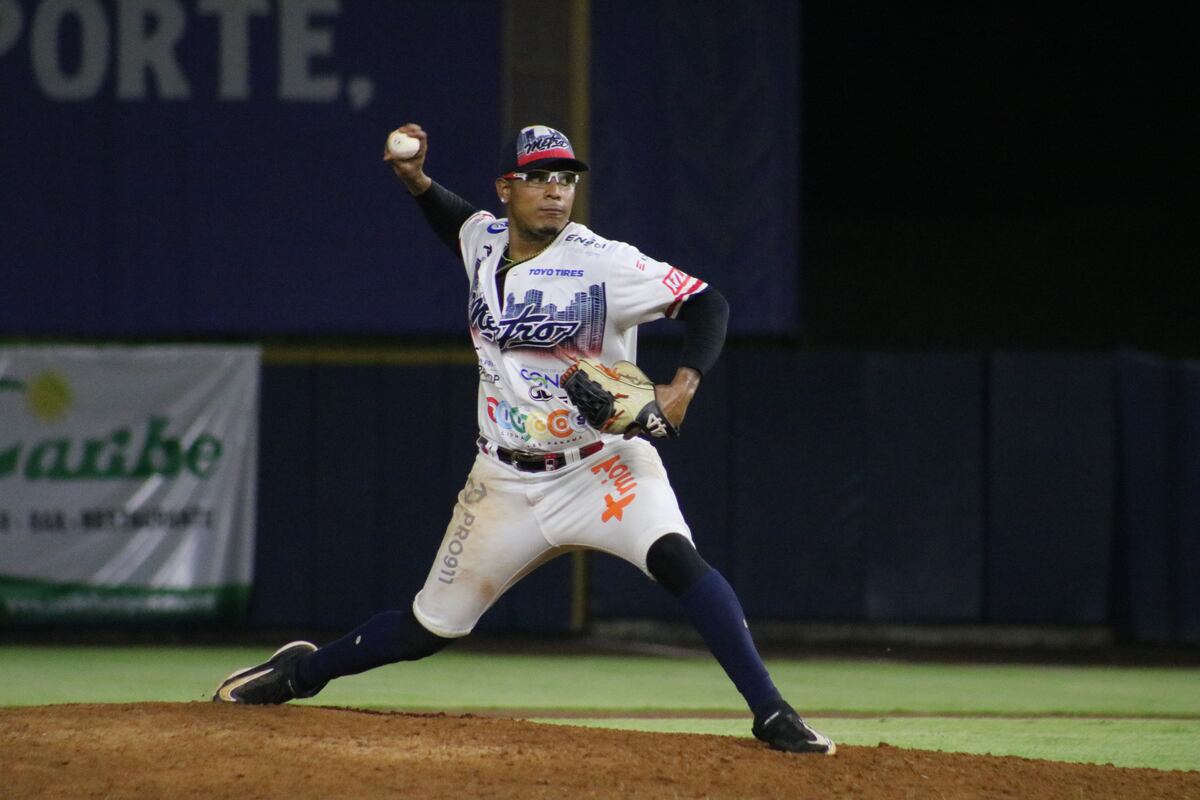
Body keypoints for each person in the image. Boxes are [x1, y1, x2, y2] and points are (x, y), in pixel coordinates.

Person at [212, 123, 835, 756]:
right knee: (428, 629)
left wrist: (682, 386)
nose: (555, 191)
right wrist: (417, 181)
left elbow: (709, 304)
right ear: (505, 188)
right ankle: (301, 671)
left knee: (676, 557)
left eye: (565, 179)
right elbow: (455, 222)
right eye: (537, 178)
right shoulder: (484, 241)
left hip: (600, 464)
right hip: (504, 480)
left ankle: (772, 712)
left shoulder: (604, 261)